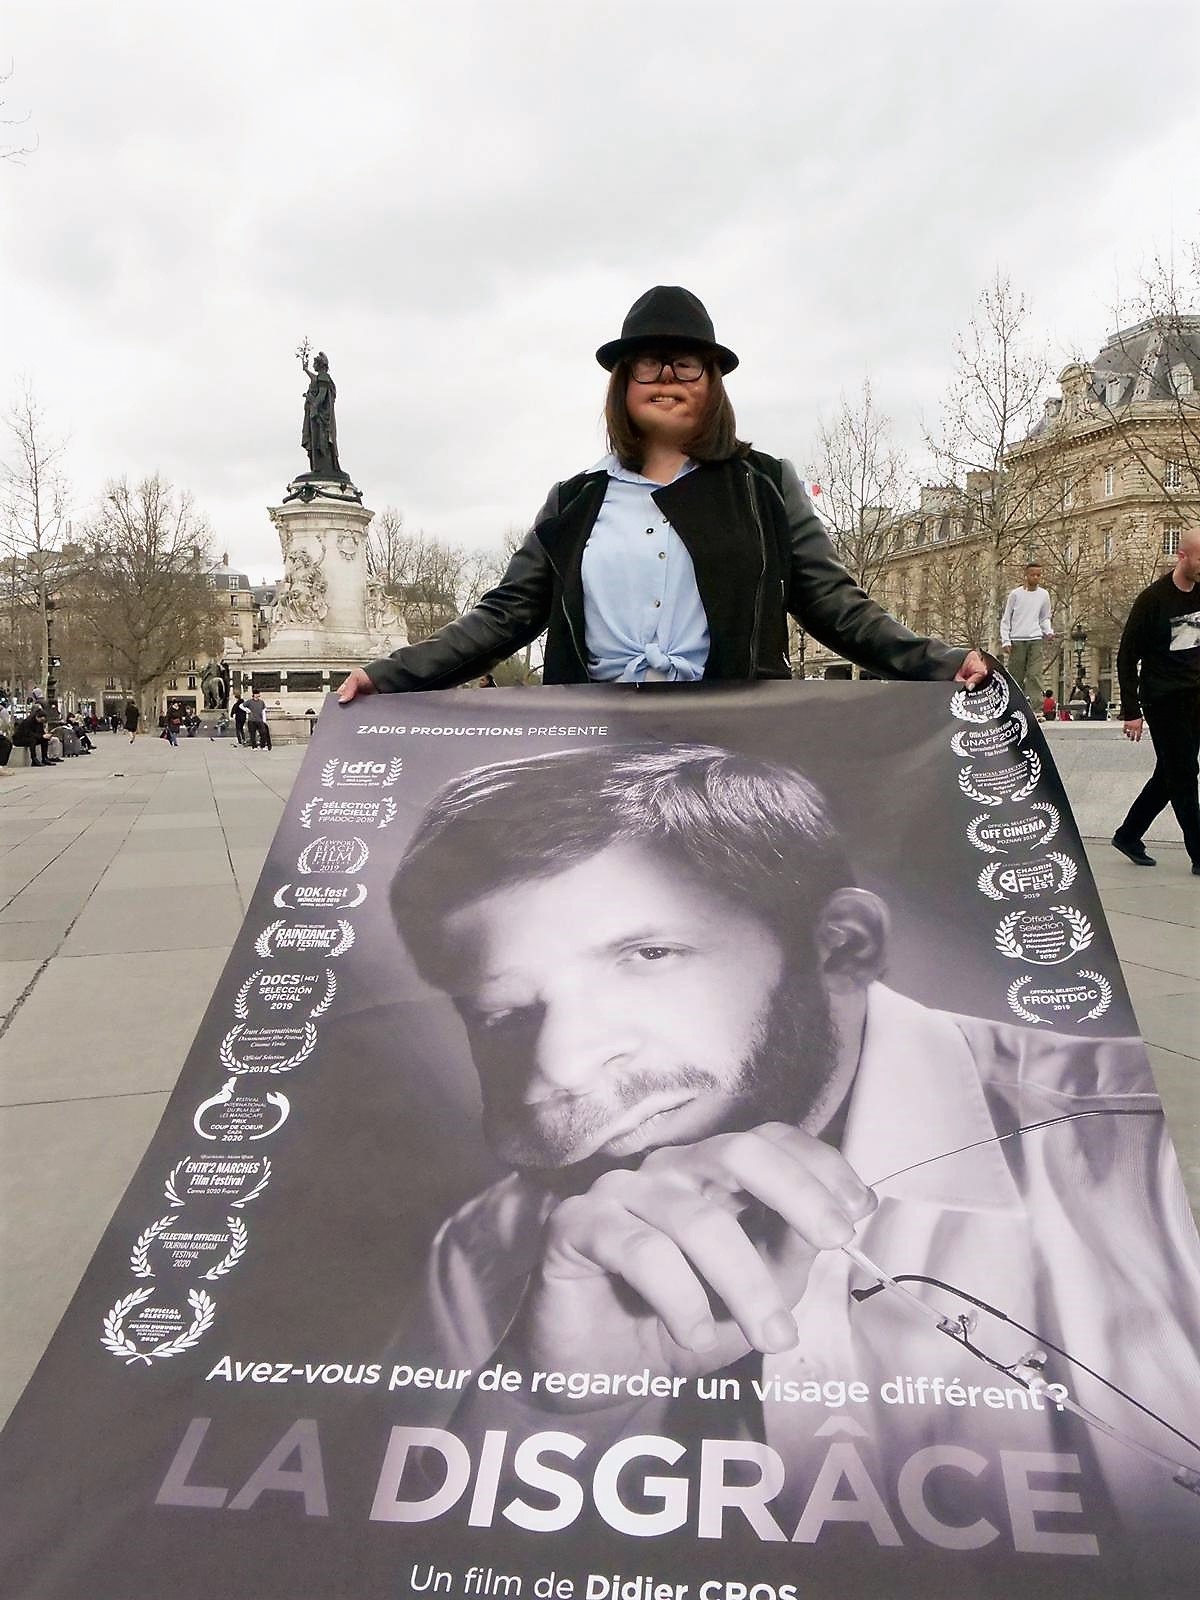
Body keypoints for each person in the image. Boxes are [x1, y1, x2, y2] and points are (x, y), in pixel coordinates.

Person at [388, 741, 1200, 1535]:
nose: (558, 1068)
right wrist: (552, 1409)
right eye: (497, 1015)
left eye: (649, 954)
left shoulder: (1151, 1158)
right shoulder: (492, 1252)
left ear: (842, 945)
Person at [335, 287, 988, 702]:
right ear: (623, 382)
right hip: (596, 744)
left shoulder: (767, 485)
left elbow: (838, 607)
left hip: (733, 740)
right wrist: (393, 673)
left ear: (712, 381)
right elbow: (502, 617)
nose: (667, 376)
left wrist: (938, 662)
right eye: (648, 362)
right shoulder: (574, 502)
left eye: (687, 362)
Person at [1112, 527, 1200, 874]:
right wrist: (1131, 711)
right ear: (1182, 556)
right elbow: (1126, 657)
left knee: (1170, 773)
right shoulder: (1153, 600)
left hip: (1195, 695)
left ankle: (1129, 834)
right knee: (1184, 773)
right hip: (1163, 698)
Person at [1000, 562, 1054, 703]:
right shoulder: (1015, 595)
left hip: (1035, 638)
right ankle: (1013, 705)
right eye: (1033, 575)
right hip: (1017, 640)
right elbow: (1006, 619)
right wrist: (1005, 640)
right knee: (1015, 675)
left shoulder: (1044, 595)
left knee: (1035, 674)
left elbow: (1044, 617)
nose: (1036, 578)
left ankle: (1036, 708)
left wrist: (1048, 631)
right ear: (1026, 575)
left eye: (1039, 575)